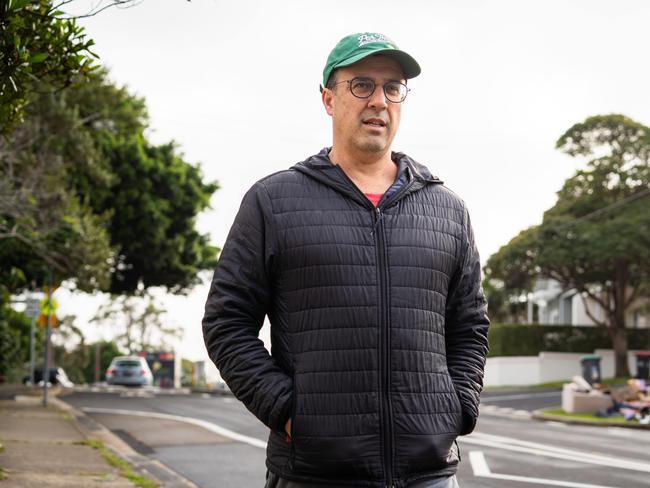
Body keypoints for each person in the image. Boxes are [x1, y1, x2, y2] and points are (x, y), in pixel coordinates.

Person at [203, 32, 489, 488]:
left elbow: (469, 324)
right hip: (314, 474)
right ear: (328, 99)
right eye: (361, 85)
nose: (379, 100)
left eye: (392, 87)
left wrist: (457, 407)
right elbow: (226, 322)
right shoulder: (273, 201)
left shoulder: (447, 209)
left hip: (429, 474)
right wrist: (290, 412)